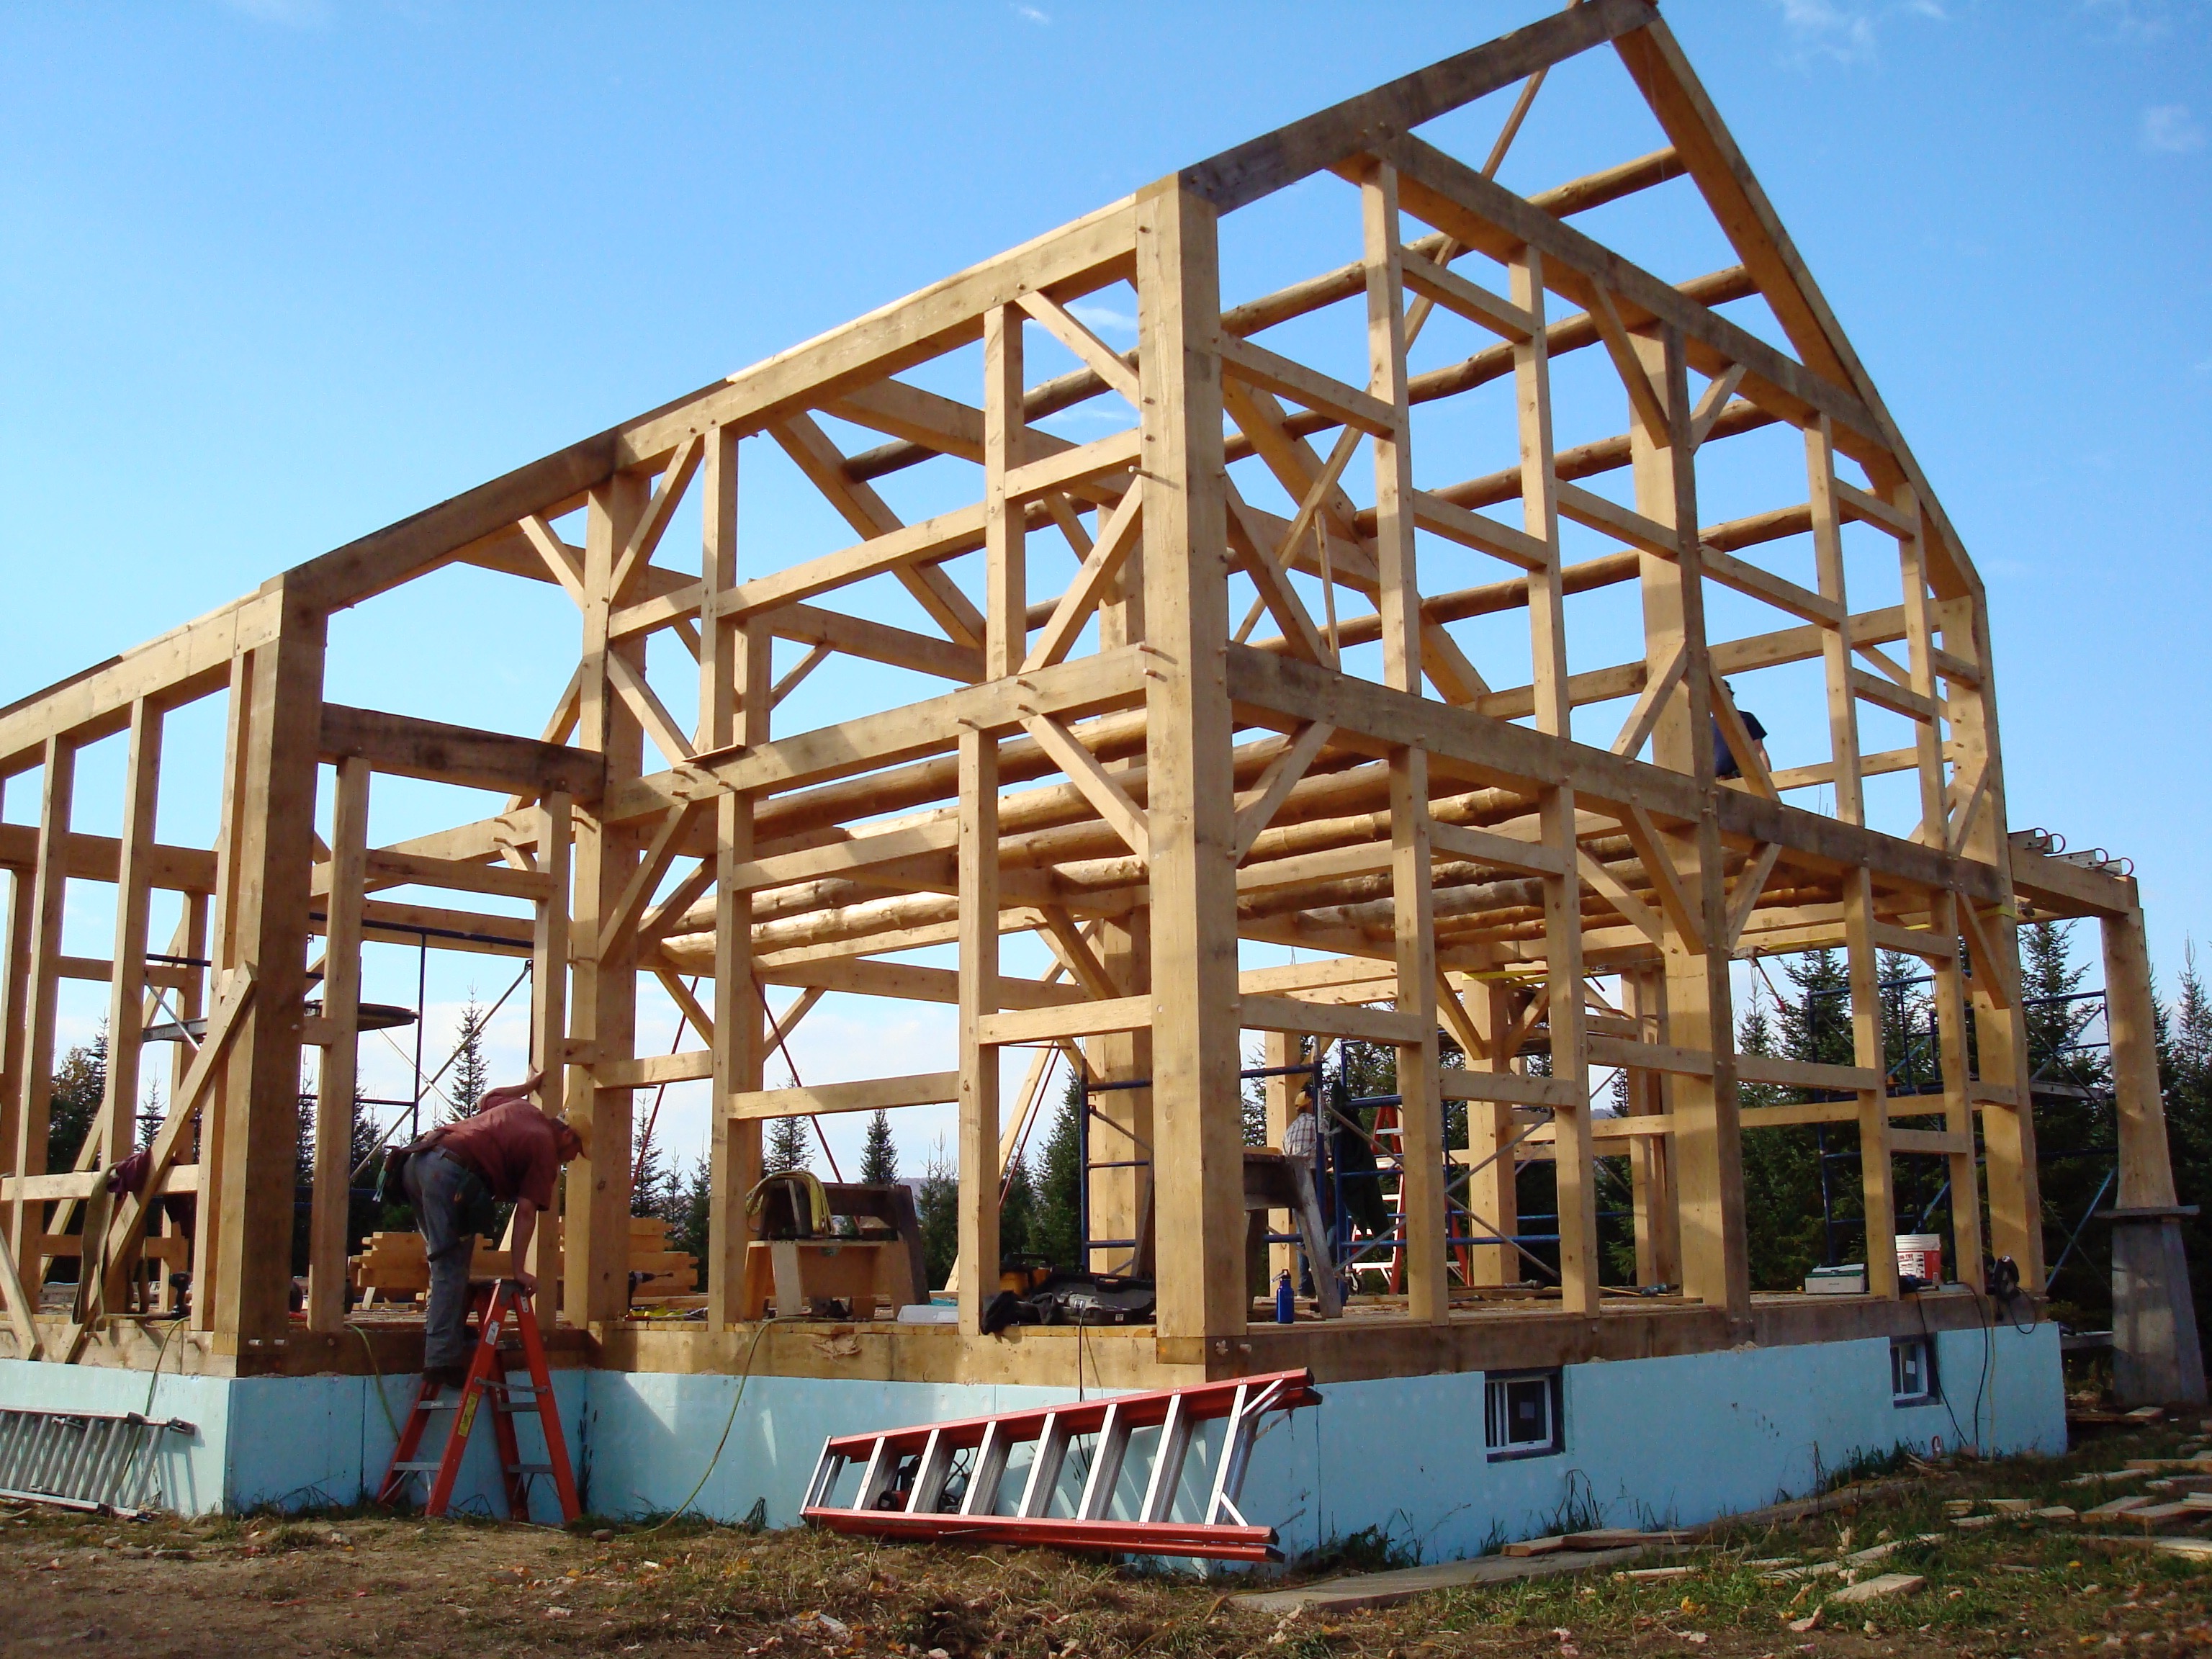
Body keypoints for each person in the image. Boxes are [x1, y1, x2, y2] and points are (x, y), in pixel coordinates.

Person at [401, 1070, 585, 1390]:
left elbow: (488, 1097)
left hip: (418, 1162)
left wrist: (527, 1087)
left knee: (445, 1259)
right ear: (568, 1136)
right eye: (575, 1153)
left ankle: (449, 1334)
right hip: (448, 1173)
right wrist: (519, 1270)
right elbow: (526, 1211)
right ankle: (441, 1361)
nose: (571, 1160)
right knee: (450, 1265)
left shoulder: (525, 1111)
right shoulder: (545, 1150)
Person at [1712, 686, 1771, 781]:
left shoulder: (1746, 718)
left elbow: (1759, 750)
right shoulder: (1705, 724)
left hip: (1743, 778)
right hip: (1715, 781)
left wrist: (1768, 778)